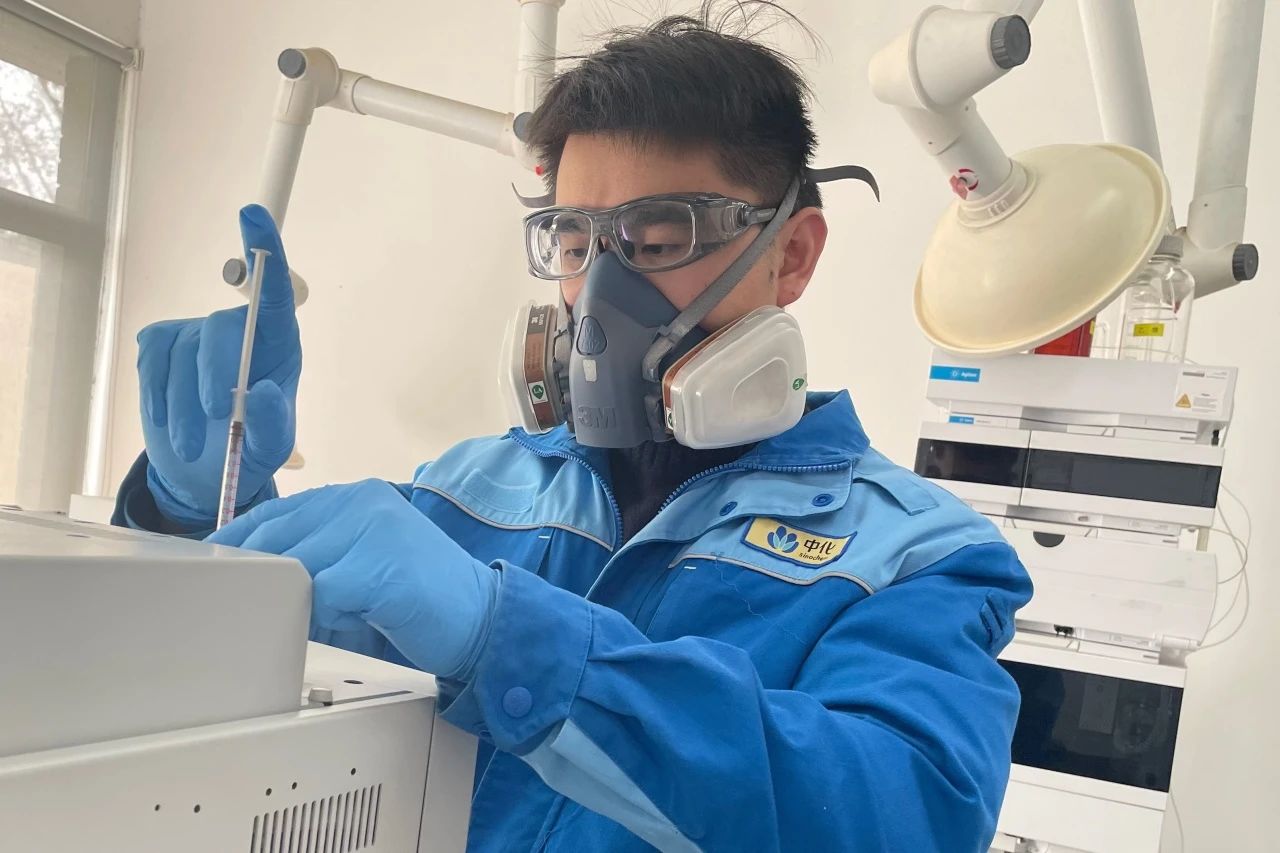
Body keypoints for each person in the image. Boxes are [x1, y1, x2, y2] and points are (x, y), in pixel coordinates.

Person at [114, 9, 1032, 852]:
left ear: (790, 256)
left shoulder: (916, 554)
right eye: (572, 240)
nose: (598, 293)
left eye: (659, 238)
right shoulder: (463, 493)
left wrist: (510, 642)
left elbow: (901, 812)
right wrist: (188, 512)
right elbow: (229, 688)